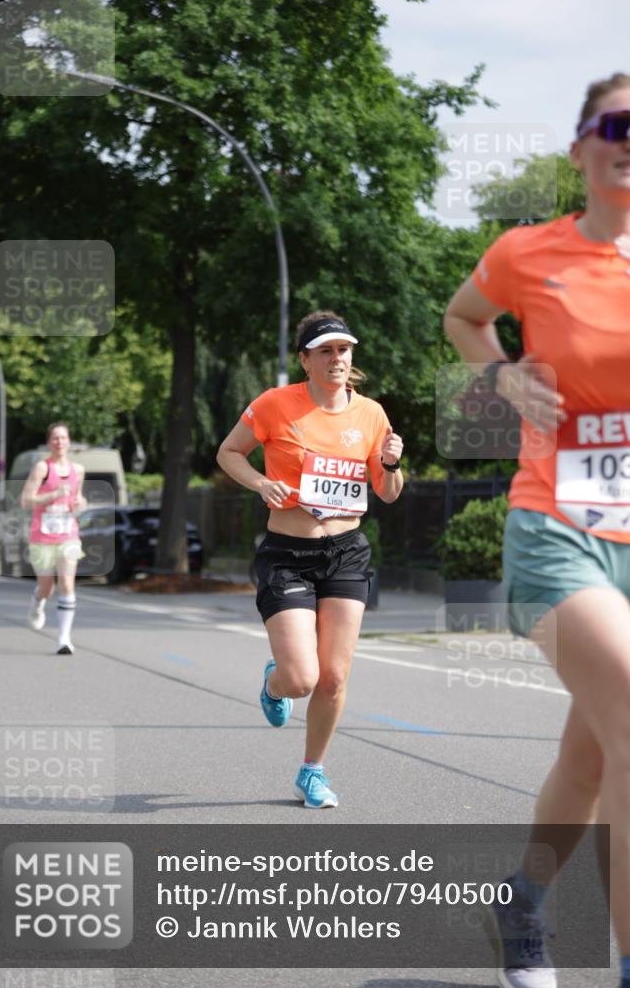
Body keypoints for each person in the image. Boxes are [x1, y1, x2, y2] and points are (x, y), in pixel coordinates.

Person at [444, 73, 630, 988]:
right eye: (619, 122)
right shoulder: (529, 253)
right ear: (581, 146)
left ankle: (519, 903)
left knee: (594, 754)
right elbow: (461, 316)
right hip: (556, 523)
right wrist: (505, 376)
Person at [217, 310, 404, 808]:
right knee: (302, 677)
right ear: (305, 359)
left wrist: (391, 463)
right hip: (288, 555)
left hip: (345, 552)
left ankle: (311, 771)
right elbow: (229, 453)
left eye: (344, 350)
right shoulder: (276, 404)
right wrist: (261, 482)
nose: (337, 358)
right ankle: (274, 684)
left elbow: (387, 492)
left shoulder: (370, 414)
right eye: (326, 350)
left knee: (335, 676)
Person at [21, 422, 86, 655]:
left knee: (66, 583)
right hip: (42, 535)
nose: (60, 442)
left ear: (69, 442)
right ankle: (38, 601)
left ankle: (64, 639)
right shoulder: (42, 468)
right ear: (49, 442)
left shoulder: (77, 470)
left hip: (68, 533)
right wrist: (54, 494)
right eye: (55, 438)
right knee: (46, 587)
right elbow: (26, 500)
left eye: (63, 438)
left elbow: (79, 498)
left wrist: (80, 503)